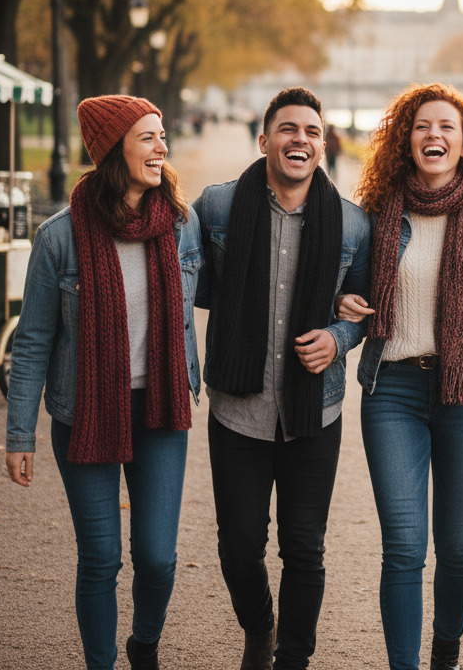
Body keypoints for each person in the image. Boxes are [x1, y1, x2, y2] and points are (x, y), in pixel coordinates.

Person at [6, 95, 202, 670]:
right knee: (99, 558)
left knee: (158, 558)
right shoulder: (59, 237)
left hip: (160, 412)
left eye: (162, 136)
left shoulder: (182, 227)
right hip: (85, 410)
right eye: (148, 137)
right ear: (113, 149)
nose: (162, 148)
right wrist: (20, 435)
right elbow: (33, 341)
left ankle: (144, 645)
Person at [339, 83, 463, 670]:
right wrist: (346, 308)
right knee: (404, 546)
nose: (433, 135)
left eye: (447, 127)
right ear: (405, 141)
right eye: (421, 126)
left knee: (459, 547)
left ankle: (446, 654)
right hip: (392, 389)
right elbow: (351, 291)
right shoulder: (374, 217)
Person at [194, 87, 371, 670]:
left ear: (323, 144)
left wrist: (338, 338)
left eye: (312, 132)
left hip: (314, 411)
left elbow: (364, 311)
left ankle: (293, 658)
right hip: (237, 409)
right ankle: (259, 626)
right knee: (240, 547)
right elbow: (190, 287)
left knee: (304, 549)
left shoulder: (351, 224)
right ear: (264, 137)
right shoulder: (216, 209)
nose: (301, 139)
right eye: (288, 129)